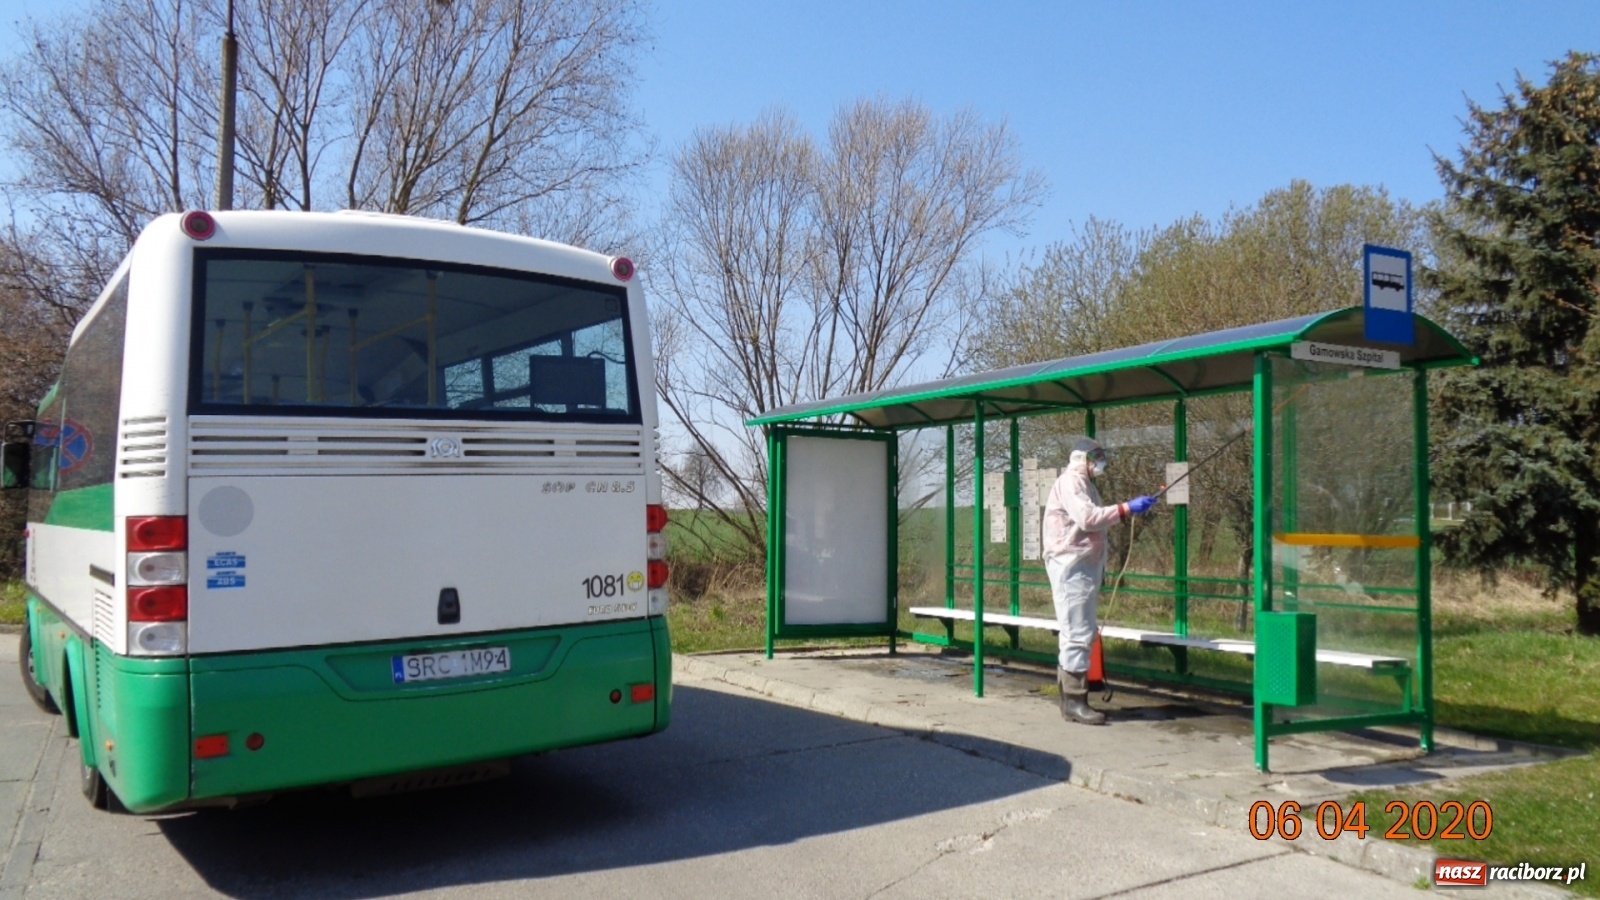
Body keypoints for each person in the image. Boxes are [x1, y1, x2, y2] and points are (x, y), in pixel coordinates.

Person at [1042, 438, 1156, 725]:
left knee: (1081, 631)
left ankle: (1071, 701)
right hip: (1071, 566)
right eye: (1097, 457)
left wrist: (1127, 509)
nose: (1101, 463)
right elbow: (1088, 518)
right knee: (1077, 633)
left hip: (1081, 566)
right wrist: (1126, 508)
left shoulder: (1085, 484)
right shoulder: (1071, 482)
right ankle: (1075, 701)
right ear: (1082, 458)